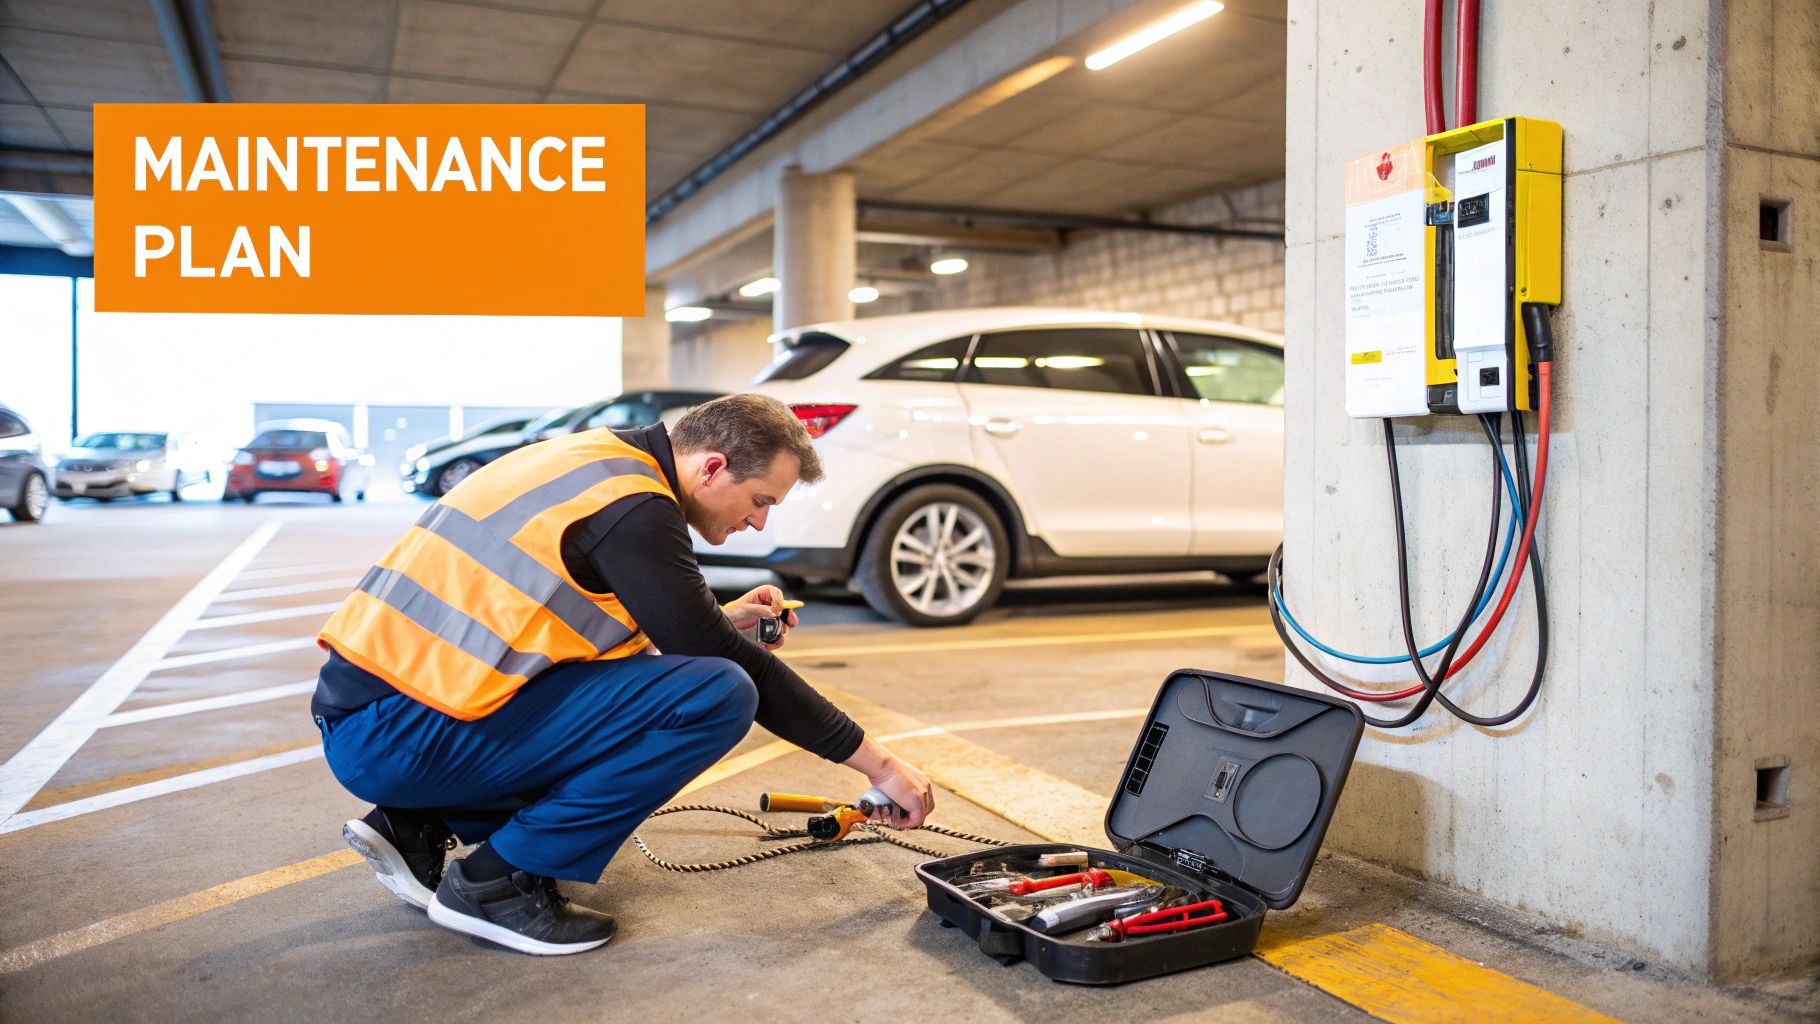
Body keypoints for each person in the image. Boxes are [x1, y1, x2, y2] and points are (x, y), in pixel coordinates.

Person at [310, 393, 934, 955]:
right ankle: (496, 884)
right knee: (716, 695)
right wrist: (880, 766)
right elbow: (724, 662)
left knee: (652, 680)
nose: (760, 522)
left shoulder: (597, 465)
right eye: (760, 501)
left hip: (384, 716)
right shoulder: (635, 506)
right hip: (396, 735)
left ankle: (418, 823)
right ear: (712, 467)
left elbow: (569, 620)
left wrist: (719, 617)